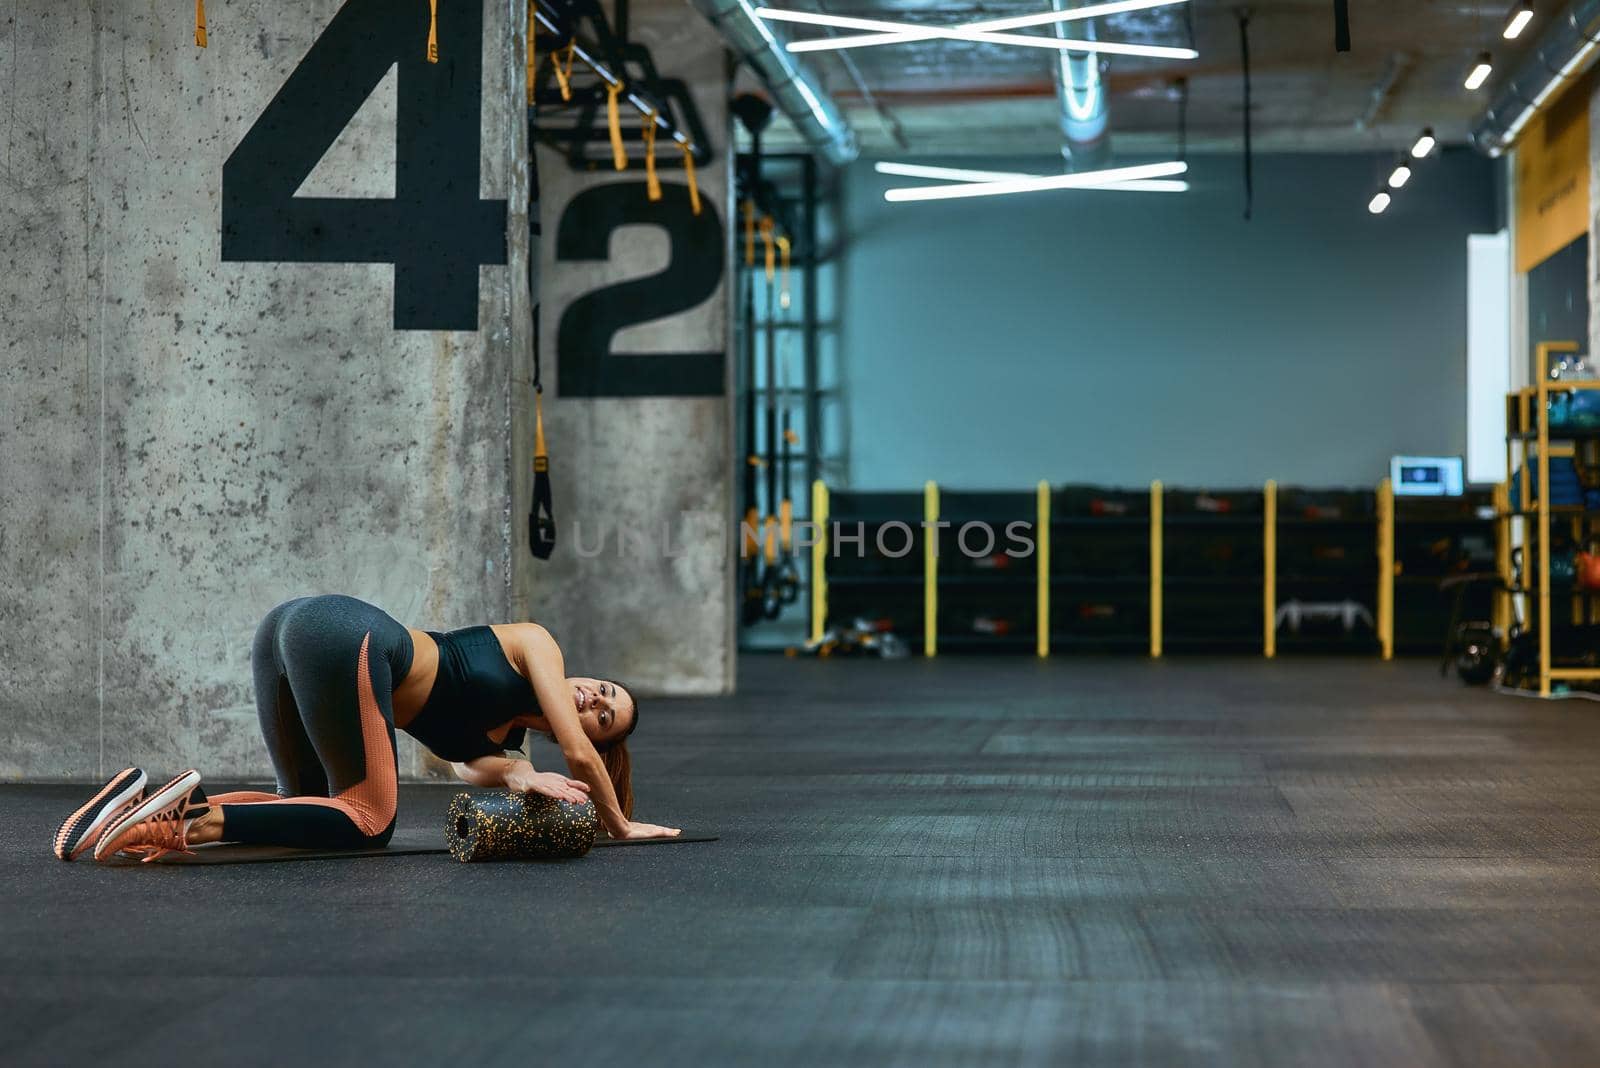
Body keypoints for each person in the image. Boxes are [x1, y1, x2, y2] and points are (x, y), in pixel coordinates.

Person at [53, 594, 679, 862]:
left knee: (303, 811)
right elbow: (571, 748)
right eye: (604, 690)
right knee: (370, 819)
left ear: (599, 739)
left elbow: (482, 767)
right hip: (344, 636)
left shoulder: (499, 745)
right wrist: (618, 825)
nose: (594, 699)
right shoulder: (538, 645)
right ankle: (195, 824)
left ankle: (143, 810)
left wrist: (524, 776)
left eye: (604, 717)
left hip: (296, 629)